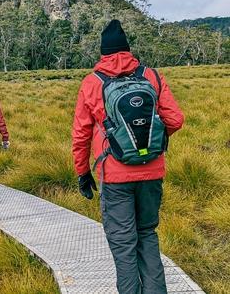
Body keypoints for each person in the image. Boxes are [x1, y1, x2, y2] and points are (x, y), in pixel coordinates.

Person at [72, 19, 184, 294]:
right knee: (147, 234)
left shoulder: (92, 82)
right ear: (127, 49)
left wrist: (82, 172)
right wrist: (153, 137)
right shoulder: (151, 76)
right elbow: (176, 119)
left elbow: (81, 134)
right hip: (152, 173)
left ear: (102, 52)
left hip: (114, 175)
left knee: (124, 246)